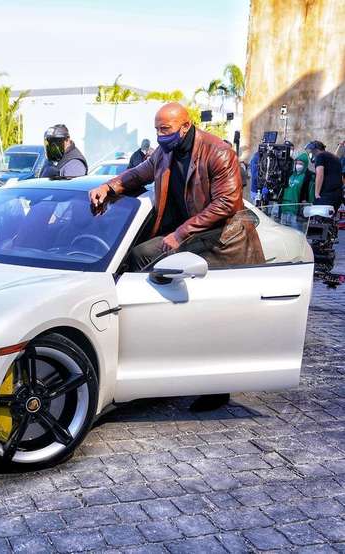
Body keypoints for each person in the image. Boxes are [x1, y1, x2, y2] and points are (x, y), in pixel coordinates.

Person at [89, 102, 264, 412]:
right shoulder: (165, 152)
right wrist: (109, 185)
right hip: (190, 234)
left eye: (165, 130)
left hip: (221, 237)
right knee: (145, 261)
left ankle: (216, 388)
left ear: (185, 126)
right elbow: (138, 174)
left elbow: (227, 203)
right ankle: (156, 365)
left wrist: (180, 234)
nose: (159, 136)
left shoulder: (218, 151)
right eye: (156, 129)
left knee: (214, 315)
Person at [305, 141, 344, 209]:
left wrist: (317, 193)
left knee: (318, 215)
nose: (311, 153)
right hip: (337, 194)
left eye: (311, 151)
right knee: (329, 218)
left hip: (327, 195)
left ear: (315, 150)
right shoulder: (334, 158)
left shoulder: (320, 156)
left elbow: (320, 175)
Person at [280, 152, 311, 226]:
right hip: (284, 209)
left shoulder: (306, 177)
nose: (298, 165)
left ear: (305, 165)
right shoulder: (290, 174)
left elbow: (306, 193)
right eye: (297, 163)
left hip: (295, 212)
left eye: (301, 164)